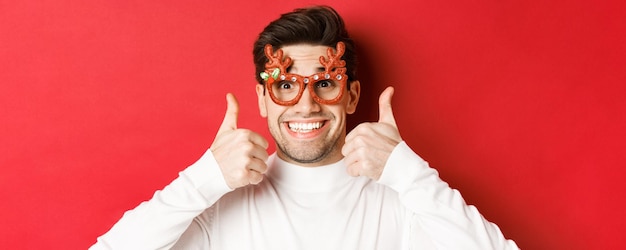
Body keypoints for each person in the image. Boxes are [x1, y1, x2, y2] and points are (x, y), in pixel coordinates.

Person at [91, 5, 518, 250]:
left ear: (351, 96)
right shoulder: (218, 204)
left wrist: (409, 173)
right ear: (261, 98)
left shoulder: (402, 201)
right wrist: (203, 179)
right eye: (285, 86)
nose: (306, 103)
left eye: (326, 83)